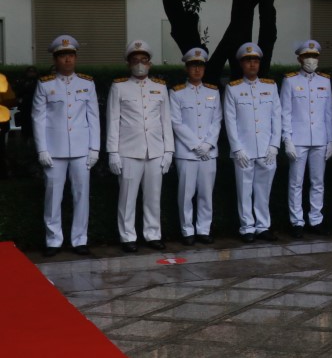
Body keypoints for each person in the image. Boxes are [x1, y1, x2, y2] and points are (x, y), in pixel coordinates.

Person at [31, 36, 99, 256]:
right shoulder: (45, 84)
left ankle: (80, 239)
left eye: (71, 55)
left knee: (81, 195)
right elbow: (38, 119)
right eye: (62, 56)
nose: (67, 59)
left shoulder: (87, 83)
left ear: (75, 58)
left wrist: (94, 148)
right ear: (55, 59)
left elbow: (93, 118)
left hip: (81, 149)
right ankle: (53, 240)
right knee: (53, 196)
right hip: (54, 150)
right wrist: (42, 149)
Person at [106, 40, 174, 253]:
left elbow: (166, 120)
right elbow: (113, 121)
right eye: (135, 60)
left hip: (155, 150)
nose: (139, 64)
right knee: (127, 197)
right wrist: (112, 152)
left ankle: (153, 234)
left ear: (150, 63)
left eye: (143, 60)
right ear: (128, 64)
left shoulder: (159, 87)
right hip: (128, 150)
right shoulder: (119, 87)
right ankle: (127, 236)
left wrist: (169, 151)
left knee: (153, 196)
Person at [224, 43, 281, 243]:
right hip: (244, 149)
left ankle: (263, 226)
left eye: (255, 60)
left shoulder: (270, 87)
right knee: (244, 190)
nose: (252, 64)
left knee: (263, 191)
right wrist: (237, 148)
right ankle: (247, 226)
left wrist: (274, 145)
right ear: (241, 64)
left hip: (266, 148)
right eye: (248, 60)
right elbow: (230, 121)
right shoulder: (233, 89)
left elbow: (277, 117)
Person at [281, 39, 332, 237]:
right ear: (300, 59)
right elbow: (285, 112)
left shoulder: (325, 81)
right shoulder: (290, 81)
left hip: (320, 138)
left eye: (314, 56)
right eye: (307, 56)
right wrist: (287, 139)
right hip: (298, 139)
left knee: (318, 182)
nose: (311, 60)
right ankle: (297, 221)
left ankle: (316, 220)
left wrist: (331, 140)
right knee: (296, 182)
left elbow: (329, 113)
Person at [169, 47, 221, 246]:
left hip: (209, 152)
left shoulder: (213, 92)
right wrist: (195, 145)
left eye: (200, 65)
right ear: (187, 68)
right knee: (186, 194)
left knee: (206, 193)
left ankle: (204, 229)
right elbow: (176, 122)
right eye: (193, 65)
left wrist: (207, 144)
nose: (197, 69)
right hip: (186, 152)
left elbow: (217, 120)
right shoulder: (177, 93)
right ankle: (187, 230)